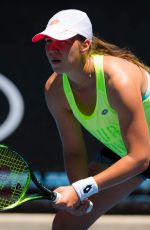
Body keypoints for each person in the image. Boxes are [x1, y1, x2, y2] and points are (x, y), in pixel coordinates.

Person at [32, 9, 150, 230]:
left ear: (85, 45)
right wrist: (81, 195)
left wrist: (80, 189)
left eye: (62, 41)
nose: (52, 49)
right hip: (128, 149)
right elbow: (74, 151)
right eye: (48, 41)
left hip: (139, 153)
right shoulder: (55, 90)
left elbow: (141, 158)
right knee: (66, 224)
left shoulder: (118, 80)